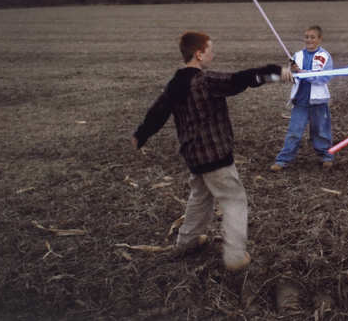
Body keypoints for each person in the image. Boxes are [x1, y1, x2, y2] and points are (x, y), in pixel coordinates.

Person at [131, 31, 292, 269]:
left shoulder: (175, 84)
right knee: (235, 200)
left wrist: (140, 135)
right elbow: (241, 79)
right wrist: (278, 73)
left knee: (200, 197)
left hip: (194, 157)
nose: (213, 54)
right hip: (215, 156)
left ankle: (187, 242)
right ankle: (235, 256)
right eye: (210, 50)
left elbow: (157, 113)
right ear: (199, 54)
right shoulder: (204, 81)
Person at [270, 25, 334, 171]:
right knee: (294, 131)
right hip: (300, 101)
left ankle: (326, 156)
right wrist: (292, 72)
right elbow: (292, 78)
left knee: (321, 131)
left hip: (319, 101)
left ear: (319, 39)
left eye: (312, 37)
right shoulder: (297, 56)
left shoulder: (325, 57)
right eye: (306, 37)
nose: (309, 40)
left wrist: (302, 72)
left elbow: (324, 78)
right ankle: (283, 160)